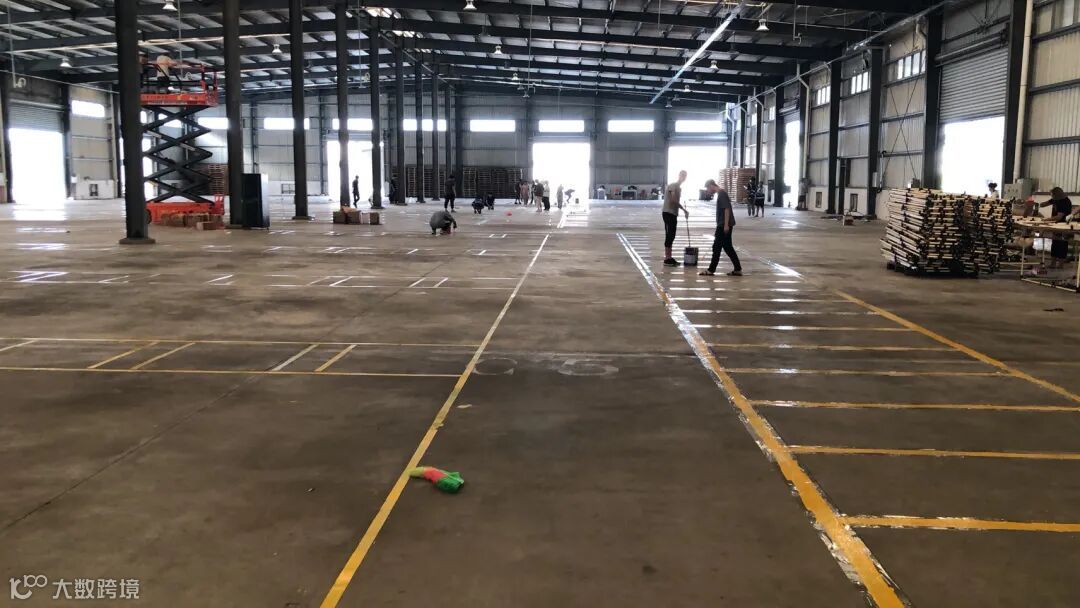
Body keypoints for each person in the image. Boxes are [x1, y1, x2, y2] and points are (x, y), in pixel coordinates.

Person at [699, 179, 743, 277]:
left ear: (711, 186)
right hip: (724, 224)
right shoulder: (721, 193)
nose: (708, 191)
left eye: (707, 189)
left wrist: (726, 225)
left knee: (716, 247)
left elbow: (726, 209)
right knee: (728, 247)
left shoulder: (722, 194)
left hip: (723, 225)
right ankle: (737, 269)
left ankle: (711, 270)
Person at [661, 170, 690, 267]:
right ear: (679, 175)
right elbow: (673, 199)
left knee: (672, 235)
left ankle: (669, 257)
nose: (683, 177)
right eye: (682, 175)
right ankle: (667, 258)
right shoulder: (673, 186)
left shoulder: (679, 188)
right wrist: (684, 209)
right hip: (668, 213)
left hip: (673, 213)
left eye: (685, 176)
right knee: (669, 235)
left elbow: (675, 200)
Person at [1041, 187, 1074, 269]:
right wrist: (1036, 204)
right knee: (1055, 243)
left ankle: (1060, 264)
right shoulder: (1056, 199)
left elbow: (1059, 217)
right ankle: (1053, 263)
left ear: (1057, 195)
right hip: (1056, 225)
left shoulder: (1064, 202)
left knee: (1062, 244)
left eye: (1052, 195)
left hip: (1063, 226)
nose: (1051, 196)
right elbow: (1043, 204)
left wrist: (1046, 220)